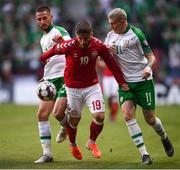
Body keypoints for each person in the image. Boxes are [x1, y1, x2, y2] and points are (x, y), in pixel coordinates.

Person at [40, 20, 129, 160]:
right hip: (72, 89)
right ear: (76, 36)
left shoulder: (98, 45)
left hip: (92, 87)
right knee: (74, 121)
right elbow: (54, 50)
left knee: (99, 116)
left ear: (91, 34)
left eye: (86, 38)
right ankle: (73, 145)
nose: (82, 42)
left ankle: (92, 142)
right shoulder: (69, 45)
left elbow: (111, 63)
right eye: (80, 38)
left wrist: (121, 82)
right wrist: (43, 58)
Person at [105, 8, 174, 164]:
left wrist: (148, 67)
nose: (111, 27)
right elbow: (103, 56)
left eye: (113, 24)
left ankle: (163, 136)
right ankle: (145, 155)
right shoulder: (110, 36)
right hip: (125, 84)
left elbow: (151, 57)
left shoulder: (137, 35)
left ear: (123, 22)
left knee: (150, 119)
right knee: (128, 116)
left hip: (143, 82)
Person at [34, 6, 71, 163]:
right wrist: (45, 76)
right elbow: (50, 61)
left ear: (51, 17)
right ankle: (47, 154)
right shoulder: (43, 39)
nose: (42, 21)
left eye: (45, 18)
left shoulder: (59, 31)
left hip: (64, 77)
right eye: (39, 19)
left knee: (59, 113)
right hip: (49, 80)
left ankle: (66, 127)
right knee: (42, 114)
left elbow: (70, 46)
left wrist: (62, 42)